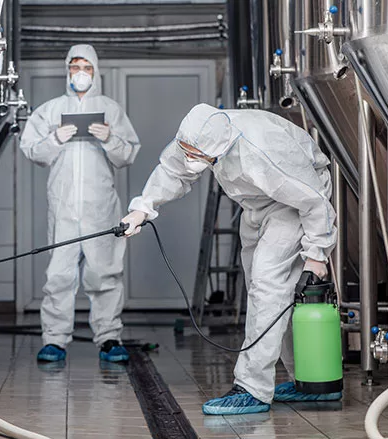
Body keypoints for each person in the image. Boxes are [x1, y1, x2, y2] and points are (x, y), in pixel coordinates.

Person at [122, 104, 339, 415]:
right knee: (267, 293)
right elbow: (172, 170)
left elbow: (313, 200)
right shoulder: (198, 137)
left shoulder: (262, 149)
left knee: (268, 285)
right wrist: (142, 209)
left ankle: (252, 388)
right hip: (254, 205)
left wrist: (317, 255)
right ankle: (308, 381)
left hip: (294, 204)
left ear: (219, 147)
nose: (188, 158)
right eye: (186, 149)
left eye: (195, 154)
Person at [19, 44, 141, 364]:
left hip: (100, 207)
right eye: (74, 67)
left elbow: (128, 154)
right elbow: (31, 151)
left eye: (86, 67)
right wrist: (55, 138)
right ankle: (55, 340)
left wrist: (109, 138)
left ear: (95, 70)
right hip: (64, 208)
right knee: (59, 274)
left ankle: (109, 338)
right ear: (67, 70)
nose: (80, 73)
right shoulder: (50, 110)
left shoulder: (111, 109)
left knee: (105, 273)